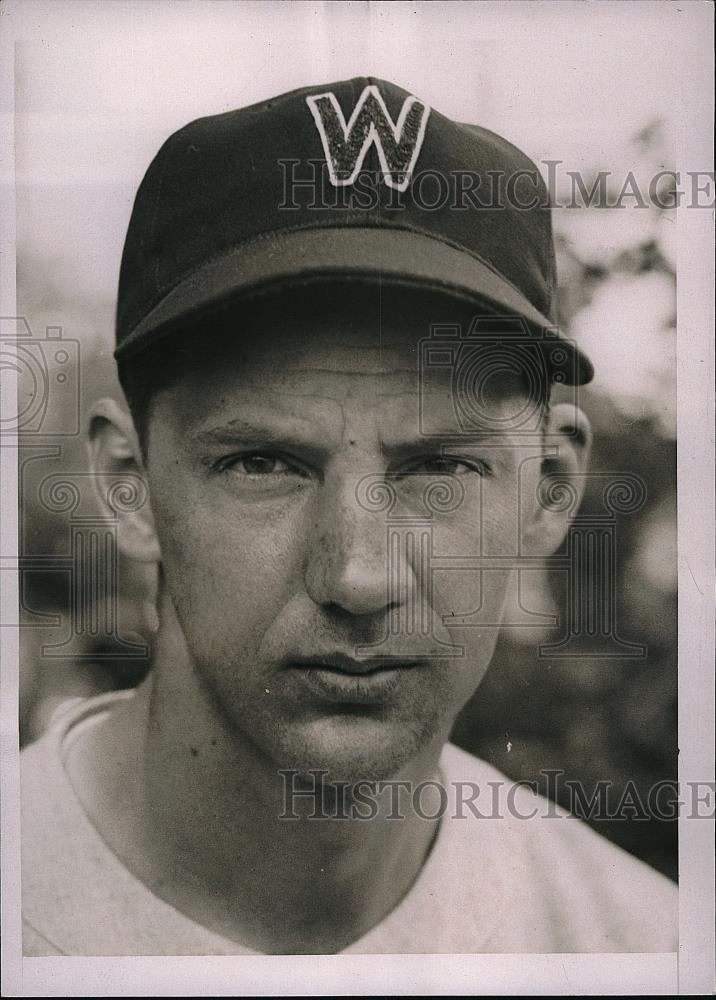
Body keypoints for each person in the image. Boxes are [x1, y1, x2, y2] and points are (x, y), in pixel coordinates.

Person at [21, 77, 677, 955]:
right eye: (264, 464)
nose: (358, 575)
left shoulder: (644, 946)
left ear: (550, 488)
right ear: (129, 483)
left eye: (440, 467)